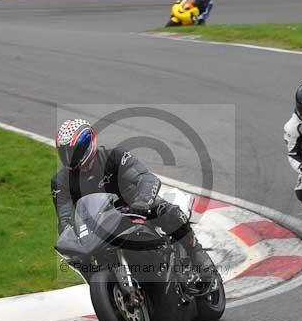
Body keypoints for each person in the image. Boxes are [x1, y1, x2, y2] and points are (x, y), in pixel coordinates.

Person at [51, 118, 218, 287]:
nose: (69, 157)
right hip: (98, 227)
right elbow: (64, 219)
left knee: (168, 212)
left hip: (134, 208)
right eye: (64, 153)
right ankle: (107, 291)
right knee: (78, 257)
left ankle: (197, 254)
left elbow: (146, 178)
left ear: (89, 143)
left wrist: (142, 202)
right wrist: (70, 240)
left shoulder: (114, 157)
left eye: (74, 151)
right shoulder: (61, 181)